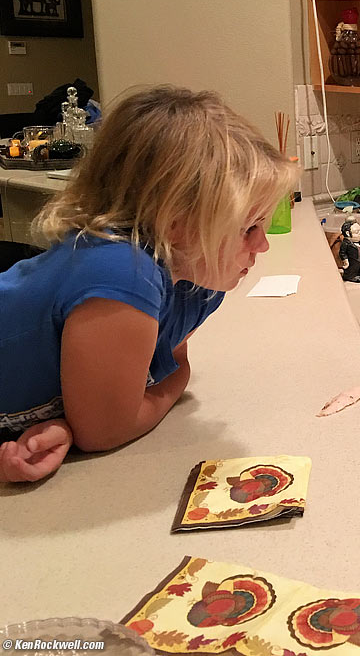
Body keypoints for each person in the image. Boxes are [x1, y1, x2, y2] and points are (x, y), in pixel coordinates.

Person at [0, 85, 298, 483]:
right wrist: (88, 423)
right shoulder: (122, 271)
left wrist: (76, 423)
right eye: (249, 227)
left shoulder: (197, 284)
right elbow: (105, 430)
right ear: (176, 224)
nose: (262, 244)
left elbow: (168, 372)